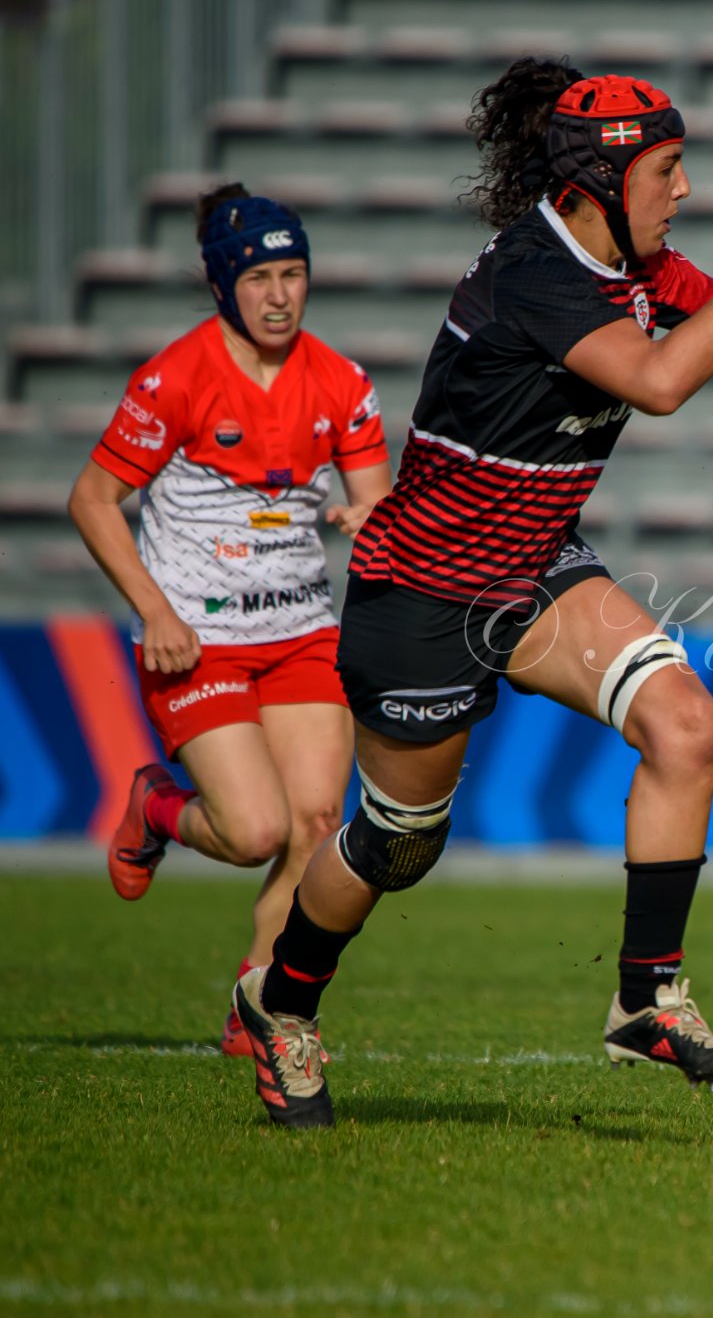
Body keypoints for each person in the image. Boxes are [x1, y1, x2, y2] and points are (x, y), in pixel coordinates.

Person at [229, 58, 713, 1128]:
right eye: (670, 169)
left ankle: (646, 996)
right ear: (599, 182)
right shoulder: (534, 273)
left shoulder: (635, 261)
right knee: (396, 845)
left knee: (685, 724)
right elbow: (663, 381)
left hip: (536, 564)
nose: (682, 189)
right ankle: (282, 999)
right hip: (425, 589)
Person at [68, 184, 392, 1057]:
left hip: (300, 633)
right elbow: (93, 499)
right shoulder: (175, 378)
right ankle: (156, 806)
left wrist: (373, 519)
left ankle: (261, 1010)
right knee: (255, 833)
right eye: (260, 278)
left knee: (319, 825)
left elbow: (377, 498)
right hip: (197, 639)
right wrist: (154, 608)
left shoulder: (341, 380)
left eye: (294, 274)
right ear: (223, 287)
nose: (281, 295)